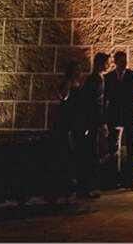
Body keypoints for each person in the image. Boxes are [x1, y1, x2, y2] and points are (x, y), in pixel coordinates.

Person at [104, 51, 133, 189]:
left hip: (130, 114)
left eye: (125, 61)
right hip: (114, 114)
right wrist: (105, 115)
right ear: (116, 62)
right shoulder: (108, 77)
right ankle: (113, 179)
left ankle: (129, 180)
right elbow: (105, 98)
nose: (124, 63)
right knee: (112, 148)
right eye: (121, 61)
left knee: (131, 148)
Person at [76, 52, 109, 198]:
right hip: (91, 122)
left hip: (94, 122)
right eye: (106, 62)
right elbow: (92, 104)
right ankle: (84, 188)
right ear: (100, 64)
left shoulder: (99, 79)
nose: (109, 65)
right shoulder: (94, 80)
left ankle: (88, 187)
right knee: (89, 154)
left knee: (93, 154)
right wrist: (100, 123)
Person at [55, 60, 83, 198]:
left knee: (75, 152)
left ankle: (74, 182)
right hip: (67, 121)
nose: (78, 72)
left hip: (75, 121)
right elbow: (64, 97)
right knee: (67, 150)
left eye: (79, 69)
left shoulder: (78, 84)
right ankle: (66, 183)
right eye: (76, 69)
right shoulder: (67, 83)